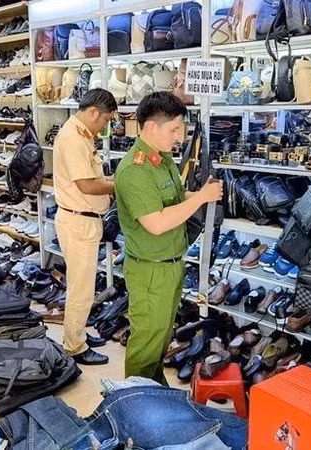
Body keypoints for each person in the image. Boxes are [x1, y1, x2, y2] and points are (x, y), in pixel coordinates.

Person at [114, 92, 223, 384]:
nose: (179, 137)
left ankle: (154, 388)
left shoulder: (161, 160)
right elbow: (158, 223)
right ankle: (135, 401)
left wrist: (200, 196)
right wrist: (200, 198)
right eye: (174, 130)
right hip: (150, 270)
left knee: (161, 337)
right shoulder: (134, 171)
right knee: (146, 341)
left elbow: (173, 199)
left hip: (170, 264)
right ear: (151, 127)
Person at [53, 88, 118, 366]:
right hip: (78, 221)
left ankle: (76, 332)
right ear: (93, 112)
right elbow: (87, 184)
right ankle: (75, 346)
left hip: (81, 220)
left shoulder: (79, 134)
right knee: (81, 289)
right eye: (105, 120)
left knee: (83, 286)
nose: (105, 126)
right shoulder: (73, 139)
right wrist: (121, 181)